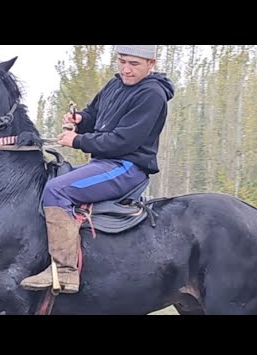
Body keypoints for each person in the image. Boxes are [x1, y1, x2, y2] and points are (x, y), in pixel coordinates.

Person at [21, 45, 175, 294]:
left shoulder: (152, 94)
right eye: (122, 61)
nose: (126, 69)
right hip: (104, 164)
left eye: (134, 64)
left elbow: (123, 142)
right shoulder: (115, 84)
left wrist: (77, 141)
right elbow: (94, 115)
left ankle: (65, 271)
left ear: (151, 64)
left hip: (126, 167)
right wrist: (80, 120)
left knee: (57, 190)